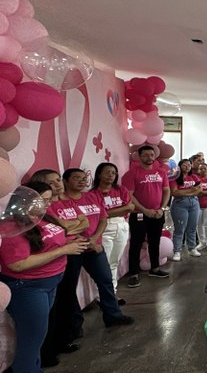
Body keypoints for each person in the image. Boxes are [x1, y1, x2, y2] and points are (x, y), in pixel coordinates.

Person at [0, 181, 90, 373]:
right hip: (28, 288)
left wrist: (69, 242)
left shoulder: (43, 218)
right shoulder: (12, 226)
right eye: (44, 200)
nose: (49, 204)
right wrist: (64, 249)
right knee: (31, 341)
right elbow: (17, 264)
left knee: (37, 337)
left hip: (50, 283)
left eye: (50, 200)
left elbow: (48, 242)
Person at [58, 168, 135, 341]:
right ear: (65, 181)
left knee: (106, 280)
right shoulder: (60, 202)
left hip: (94, 247)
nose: (81, 181)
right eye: (76, 178)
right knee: (68, 288)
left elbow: (103, 218)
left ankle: (113, 315)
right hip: (72, 249)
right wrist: (84, 240)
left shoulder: (91, 197)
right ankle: (75, 326)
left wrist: (94, 238)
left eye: (83, 178)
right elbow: (62, 228)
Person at [122, 145, 171, 288]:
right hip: (139, 214)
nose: (149, 157)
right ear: (139, 156)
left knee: (155, 241)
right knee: (136, 243)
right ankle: (133, 274)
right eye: (145, 155)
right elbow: (129, 195)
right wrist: (144, 210)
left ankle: (154, 268)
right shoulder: (131, 174)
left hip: (157, 213)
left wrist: (162, 208)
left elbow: (166, 191)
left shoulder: (161, 172)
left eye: (151, 155)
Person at [91, 162, 134, 298]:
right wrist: (118, 210)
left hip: (121, 225)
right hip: (104, 227)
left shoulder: (120, 189)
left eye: (114, 173)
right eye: (107, 172)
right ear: (99, 174)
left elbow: (130, 207)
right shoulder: (92, 194)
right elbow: (99, 214)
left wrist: (109, 212)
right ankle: (100, 295)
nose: (111, 175)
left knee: (114, 261)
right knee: (104, 263)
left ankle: (112, 293)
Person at [170, 159, 202, 261]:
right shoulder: (175, 178)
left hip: (194, 203)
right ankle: (177, 251)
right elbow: (175, 193)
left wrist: (188, 192)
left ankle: (192, 248)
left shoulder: (194, 177)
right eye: (184, 165)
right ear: (179, 166)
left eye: (189, 165)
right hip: (180, 204)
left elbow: (199, 189)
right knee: (180, 229)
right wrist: (191, 190)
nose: (187, 167)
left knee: (192, 227)